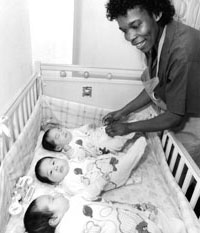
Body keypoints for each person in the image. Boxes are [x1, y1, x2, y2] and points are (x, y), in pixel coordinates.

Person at [103, 0, 200, 167]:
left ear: (156, 14)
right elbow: (153, 85)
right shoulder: (155, 40)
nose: (130, 37)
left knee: (184, 169)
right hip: (178, 113)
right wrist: (123, 111)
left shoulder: (182, 51)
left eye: (135, 25)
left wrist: (129, 128)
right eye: (124, 30)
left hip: (194, 119)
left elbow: (174, 116)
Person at [35, 136, 147, 200]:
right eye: (50, 172)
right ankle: (136, 151)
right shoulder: (68, 184)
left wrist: (69, 150)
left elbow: (78, 155)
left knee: (110, 147)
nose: (55, 167)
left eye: (53, 162)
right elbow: (87, 195)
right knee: (124, 165)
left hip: (105, 161)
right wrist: (99, 183)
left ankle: (128, 136)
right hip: (109, 178)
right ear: (53, 183)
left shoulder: (70, 162)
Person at [24, 193, 186, 233]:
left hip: (127, 218)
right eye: (53, 199)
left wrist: (132, 207)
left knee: (159, 218)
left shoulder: (74, 202)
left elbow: (103, 204)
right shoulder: (66, 229)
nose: (58, 194)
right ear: (54, 219)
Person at [42, 123, 136, 160]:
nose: (62, 131)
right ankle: (134, 129)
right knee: (117, 142)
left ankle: (133, 123)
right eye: (58, 136)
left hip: (99, 134)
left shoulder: (73, 132)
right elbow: (77, 157)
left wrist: (88, 126)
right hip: (101, 147)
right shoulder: (70, 150)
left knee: (112, 127)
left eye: (59, 129)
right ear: (58, 147)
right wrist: (68, 150)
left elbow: (81, 129)